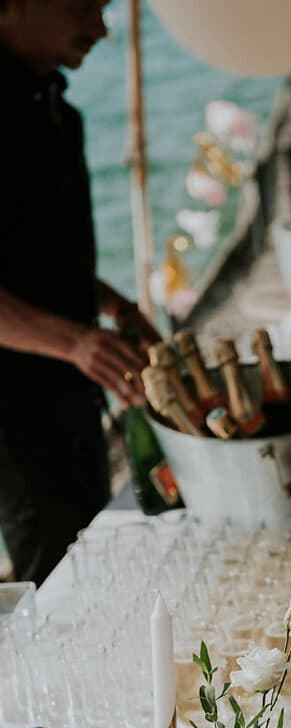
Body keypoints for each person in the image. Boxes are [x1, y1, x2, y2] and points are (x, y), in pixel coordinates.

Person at [0, 0, 158, 586]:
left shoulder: (53, 109)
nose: (99, 27)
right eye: (81, 7)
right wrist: (78, 344)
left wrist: (112, 304)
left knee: (95, 559)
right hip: (18, 415)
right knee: (56, 580)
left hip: (74, 392)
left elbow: (35, 255)